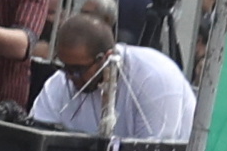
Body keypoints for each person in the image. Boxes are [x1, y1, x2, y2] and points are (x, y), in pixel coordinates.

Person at [31, 11, 198, 142]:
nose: (70, 78)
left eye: (78, 70)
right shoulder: (60, 81)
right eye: (64, 67)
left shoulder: (155, 78)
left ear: (107, 57)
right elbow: (37, 132)